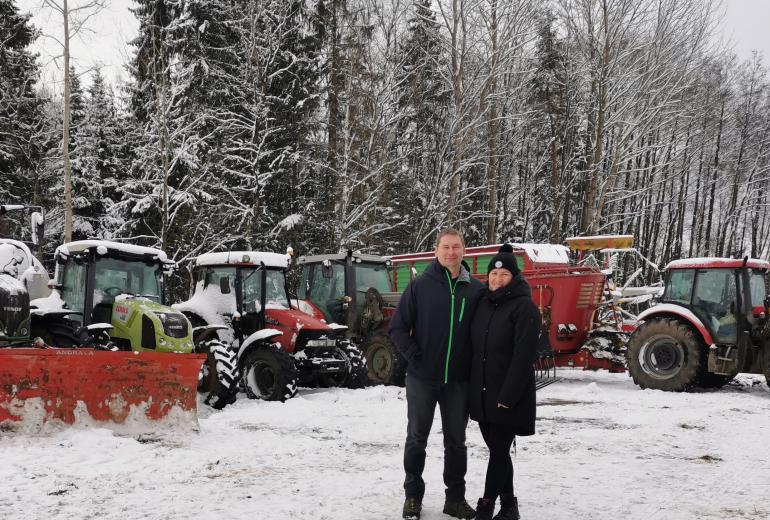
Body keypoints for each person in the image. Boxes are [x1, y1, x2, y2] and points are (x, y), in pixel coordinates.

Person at [390, 228, 484, 520]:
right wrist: (414, 356)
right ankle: (412, 496)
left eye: (456, 247)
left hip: (458, 381)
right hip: (422, 379)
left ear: (464, 251)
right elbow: (397, 328)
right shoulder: (420, 287)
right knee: (416, 438)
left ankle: (455, 498)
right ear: (436, 251)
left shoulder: (476, 290)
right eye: (445, 247)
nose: (451, 252)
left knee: (456, 441)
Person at [469, 244, 540, 520]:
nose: (497, 280)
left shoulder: (525, 309)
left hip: (508, 395)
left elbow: (524, 358)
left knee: (498, 451)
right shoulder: (484, 304)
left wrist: (507, 396)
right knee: (498, 451)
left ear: (514, 277)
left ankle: (486, 506)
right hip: (483, 392)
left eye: (504, 275)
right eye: (493, 275)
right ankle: (509, 505)